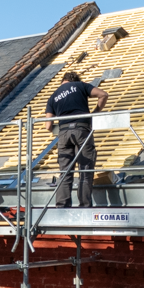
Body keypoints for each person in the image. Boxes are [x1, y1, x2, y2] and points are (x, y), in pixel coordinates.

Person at [44, 71, 108, 208]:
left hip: (63, 134)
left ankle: (62, 206)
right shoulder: (80, 85)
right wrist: (95, 113)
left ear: (63, 81)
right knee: (85, 170)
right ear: (75, 80)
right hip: (82, 130)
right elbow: (103, 95)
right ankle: (84, 205)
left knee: (65, 172)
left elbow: (48, 126)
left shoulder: (53, 96)